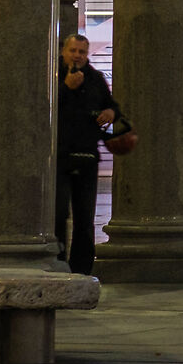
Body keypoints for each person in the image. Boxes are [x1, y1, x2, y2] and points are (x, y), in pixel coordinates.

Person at [56, 32, 119, 276]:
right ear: (64, 52)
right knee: (59, 214)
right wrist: (66, 88)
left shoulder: (95, 78)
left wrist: (110, 112)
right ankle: (58, 263)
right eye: (73, 51)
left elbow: (110, 104)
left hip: (87, 155)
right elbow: (45, 107)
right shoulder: (55, 76)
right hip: (60, 155)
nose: (77, 56)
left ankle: (82, 268)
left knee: (85, 216)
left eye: (82, 51)